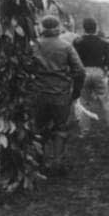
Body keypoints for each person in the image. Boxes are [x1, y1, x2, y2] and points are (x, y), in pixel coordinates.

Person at [31, 15, 86, 175]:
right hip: (61, 93)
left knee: (39, 128)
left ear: (42, 27)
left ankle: (40, 162)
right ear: (58, 28)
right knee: (61, 128)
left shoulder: (34, 46)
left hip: (39, 93)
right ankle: (58, 162)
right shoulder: (66, 46)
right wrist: (76, 90)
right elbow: (80, 71)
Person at [72, 18, 109, 141]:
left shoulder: (77, 42)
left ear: (84, 28)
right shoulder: (104, 42)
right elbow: (108, 61)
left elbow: (74, 59)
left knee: (84, 102)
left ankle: (84, 131)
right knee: (106, 102)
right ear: (96, 27)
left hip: (84, 72)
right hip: (99, 71)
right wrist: (107, 72)